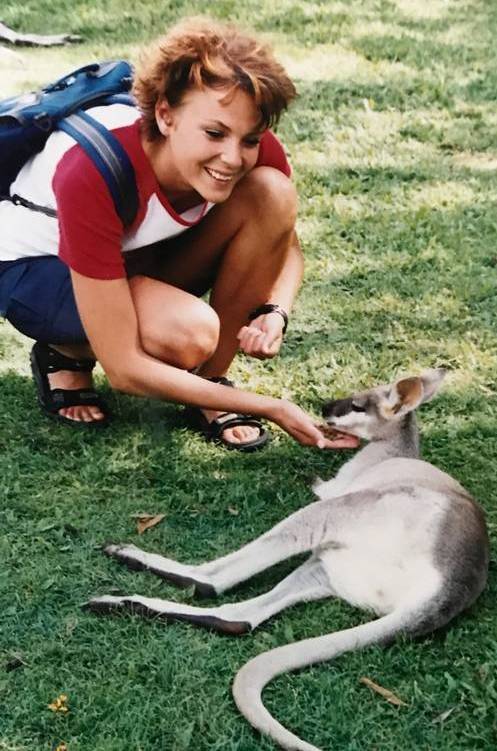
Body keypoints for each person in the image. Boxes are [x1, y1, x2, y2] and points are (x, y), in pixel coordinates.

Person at [0, 17, 358, 453]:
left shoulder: (248, 150)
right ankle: (65, 351)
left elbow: (285, 238)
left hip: (129, 255)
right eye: (214, 133)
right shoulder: (92, 172)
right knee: (187, 334)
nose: (233, 156)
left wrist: (276, 310)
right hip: (33, 272)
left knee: (272, 193)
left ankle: (210, 385)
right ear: (166, 116)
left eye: (249, 138)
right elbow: (125, 369)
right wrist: (270, 406)